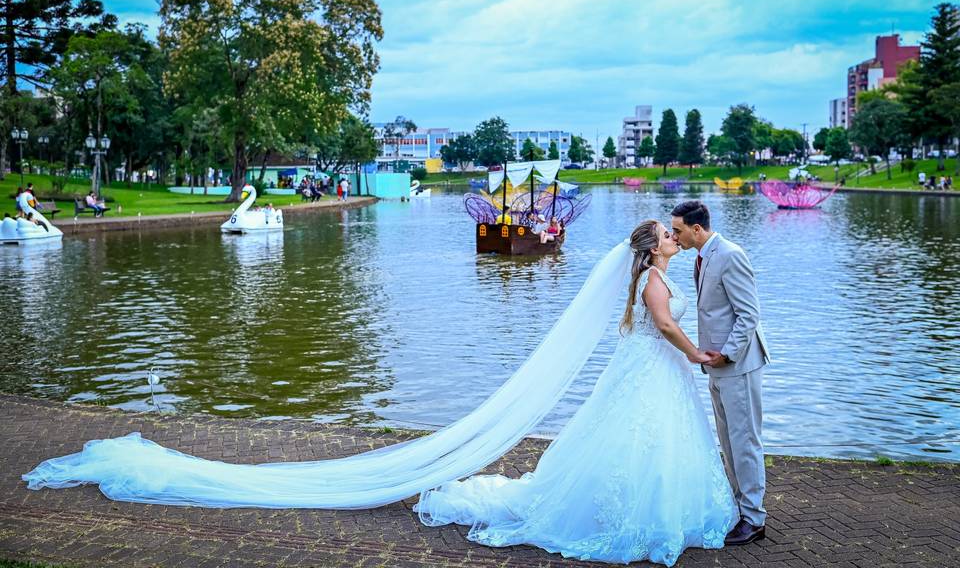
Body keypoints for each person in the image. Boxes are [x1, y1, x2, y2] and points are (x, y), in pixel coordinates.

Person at [22, 221, 741, 566]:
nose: (677, 241)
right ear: (655, 250)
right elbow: (667, 327)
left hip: (648, 379)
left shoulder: (642, 274)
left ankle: (647, 512)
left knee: (630, 446)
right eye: (670, 239)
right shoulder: (651, 281)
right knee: (634, 446)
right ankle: (637, 517)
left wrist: (689, 352)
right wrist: (700, 353)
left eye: (677, 236)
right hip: (656, 374)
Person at [671, 200, 770, 547]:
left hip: (738, 364)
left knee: (745, 443)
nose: (674, 236)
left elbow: (749, 314)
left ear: (697, 229)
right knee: (729, 443)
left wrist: (727, 354)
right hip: (716, 366)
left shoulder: (730, 254)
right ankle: (740, 509)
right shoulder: (702, 258)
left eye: (679, 230)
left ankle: (755, 519)